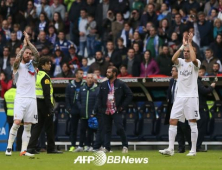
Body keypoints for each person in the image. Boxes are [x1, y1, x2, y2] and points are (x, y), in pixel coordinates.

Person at [159, 33, 201, 156]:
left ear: (192, 51)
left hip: (191, 97)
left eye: (188, 51)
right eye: (185, 51)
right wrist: (182, 46)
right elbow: (173, 59)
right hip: (180, 97)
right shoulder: (180, 62)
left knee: (192, 122)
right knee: (172, 120)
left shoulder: (196, 62)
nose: (185, 53)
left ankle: (193, 150)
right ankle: (171, 148)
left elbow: (193, 60)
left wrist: (190, 44)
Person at [5, 31, 40, 157]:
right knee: (17, 122)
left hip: (31, 98)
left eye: (30, 54)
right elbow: (17, 58)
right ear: (23, 54)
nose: (29, 55)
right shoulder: (17, 66)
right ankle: (9, 147)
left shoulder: (34, 66)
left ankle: (23, 150)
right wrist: (24, 46)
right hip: (20, 98)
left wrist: (29, 43)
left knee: (28, 126)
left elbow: (37, 54)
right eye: (27, 53)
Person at [27, 56, 63, 154]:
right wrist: (50, 107)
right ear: (43, 65)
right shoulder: (45, 76)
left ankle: (30, 148)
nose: (50, 65)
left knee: (37, 126)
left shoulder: (36, 75)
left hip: (36, 103)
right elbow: (47, 94)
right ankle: (51, 148)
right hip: (44, 104)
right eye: (48, 64)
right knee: (49, 127)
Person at [97, 66, 133, 153]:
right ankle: (106, 147)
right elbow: (99, 97)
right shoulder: (103, 84)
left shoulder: (121, 84)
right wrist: (100, 108)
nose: (107, 73)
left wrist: (122, 106)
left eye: (109, 72)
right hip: (106, 110)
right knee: (106, 129)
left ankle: (125, 146)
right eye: (107, 72)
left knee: (120, 128)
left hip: (116, 110)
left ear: (114, 73)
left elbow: (129, 95)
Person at [165, 66, 191, 153]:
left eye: (173, 71)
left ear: (178, 72)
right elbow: (170, 91)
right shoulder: (172, 81)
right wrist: (168, 98)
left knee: (184, 127)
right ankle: (181, 148)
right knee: (177, 128)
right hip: (174, 106)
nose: (171, 72)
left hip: (182, 106)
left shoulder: (183, 81)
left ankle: (192, 146)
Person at [74, 74, 99, 152]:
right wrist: (81, 108)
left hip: (92, 114)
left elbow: (97, 101)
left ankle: (89, 145)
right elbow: (77, 100)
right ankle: (80, 146)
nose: (90, 79)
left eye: (91, 78)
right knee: (82, 130)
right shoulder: (82, 89)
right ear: (86, 79)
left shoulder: (97, 89)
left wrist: (94, 111)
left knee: (91, 131)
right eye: (88, 78)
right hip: (83, 113)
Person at [65, 68, 85, 152]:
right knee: (73, 128)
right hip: (73, 109)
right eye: (80, 73)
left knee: (83, 128)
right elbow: (67, 97)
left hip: (83, 109)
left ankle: (82, 145)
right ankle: (72, 145)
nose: (82, 75)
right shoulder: (70, 85)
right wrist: (69, 108)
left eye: (82, 73)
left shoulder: (85, 84)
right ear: (76, 75)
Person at [196, 68, 216, 152]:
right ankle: (197, 146)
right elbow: (204, 91)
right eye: (199, 72)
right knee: (201, 127)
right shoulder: (197, 81)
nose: (201, 73)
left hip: (199, 107)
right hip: (200, 108)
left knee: (198, 127)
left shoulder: (198, 81)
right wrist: (211, 87)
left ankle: (196, 146)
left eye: (202, 72)